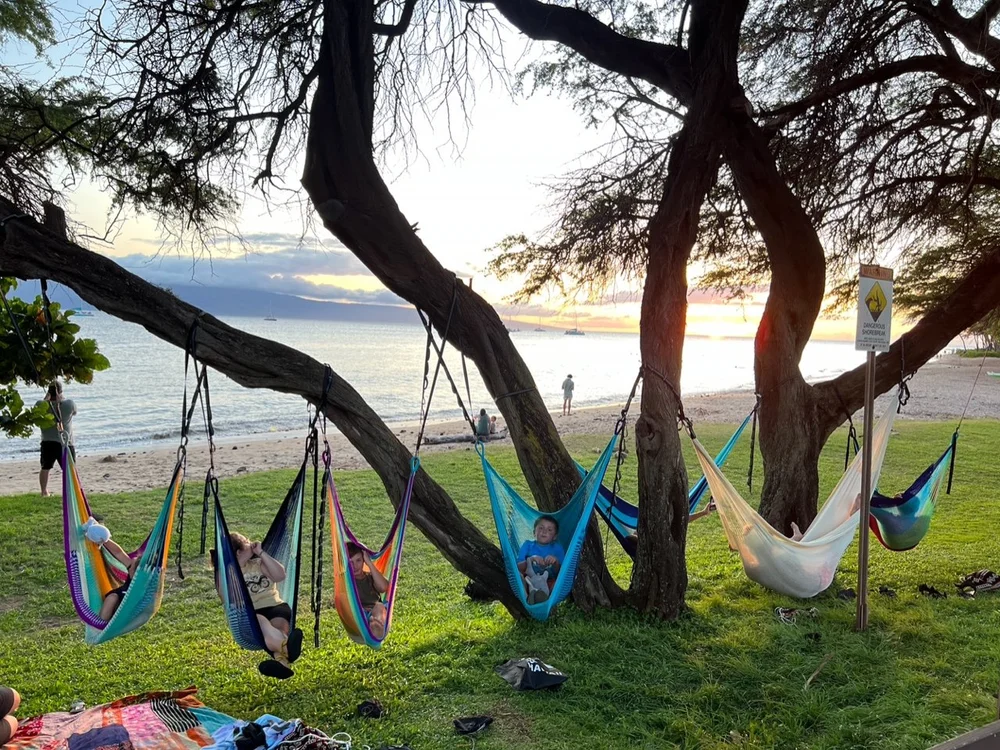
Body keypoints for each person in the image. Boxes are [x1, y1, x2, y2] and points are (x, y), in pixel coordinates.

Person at [226, 532, 304, 677]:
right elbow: (227, 596)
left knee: (275, 631)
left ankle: (282, 662)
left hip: (276, 606)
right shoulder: (229, 574)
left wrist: (261, 553)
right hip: (252, 614)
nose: (251, 542)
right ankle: (286, 649)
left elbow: (280, 575)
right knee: (261, 623)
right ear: (238, 552)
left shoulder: (258, 563)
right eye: (246, 541)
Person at [625, 501, 716, 556]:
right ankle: (640, 540)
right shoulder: (651, 513)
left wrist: (703, 512)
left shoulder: (668, 514)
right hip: (651, 534)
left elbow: (683, 519)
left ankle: (641, 540)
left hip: (659, 537)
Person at [37, 380, 76, 497]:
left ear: (48, 392)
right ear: (60, 391)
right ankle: (70, 492)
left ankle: (44, 491)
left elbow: (38, 410)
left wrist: (46, 400)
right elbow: (74, 413)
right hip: (65, 442)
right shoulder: (69, 404)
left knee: (45, 467)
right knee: (69, 469)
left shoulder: (41, 405)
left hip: (47, 441)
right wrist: (60, 401)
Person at [346, 542, 390, 639]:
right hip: (359, 616)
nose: (355, 566)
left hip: (376, 613)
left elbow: (383, 587)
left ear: (364, 560)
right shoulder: (346, 582)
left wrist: (369, 563)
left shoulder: (370, 577)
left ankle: (376, 626)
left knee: (379, 606)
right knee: (362, 611)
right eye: (350, 562)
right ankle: (373, 628)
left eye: (358, 560)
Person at [517, 515, 565, 604]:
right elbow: (518, 568)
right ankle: (528, 598)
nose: (544, 531)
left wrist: (556, 562)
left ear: (555, 536)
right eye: (541, 528)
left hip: (549, 582)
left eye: (549, 530)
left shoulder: (557, 548)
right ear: (534, 532)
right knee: (518, 576)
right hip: (528, 581)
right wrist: (531, 559)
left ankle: (546, 599)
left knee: (561, 580)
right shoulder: (527, 545)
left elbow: (561, 572)